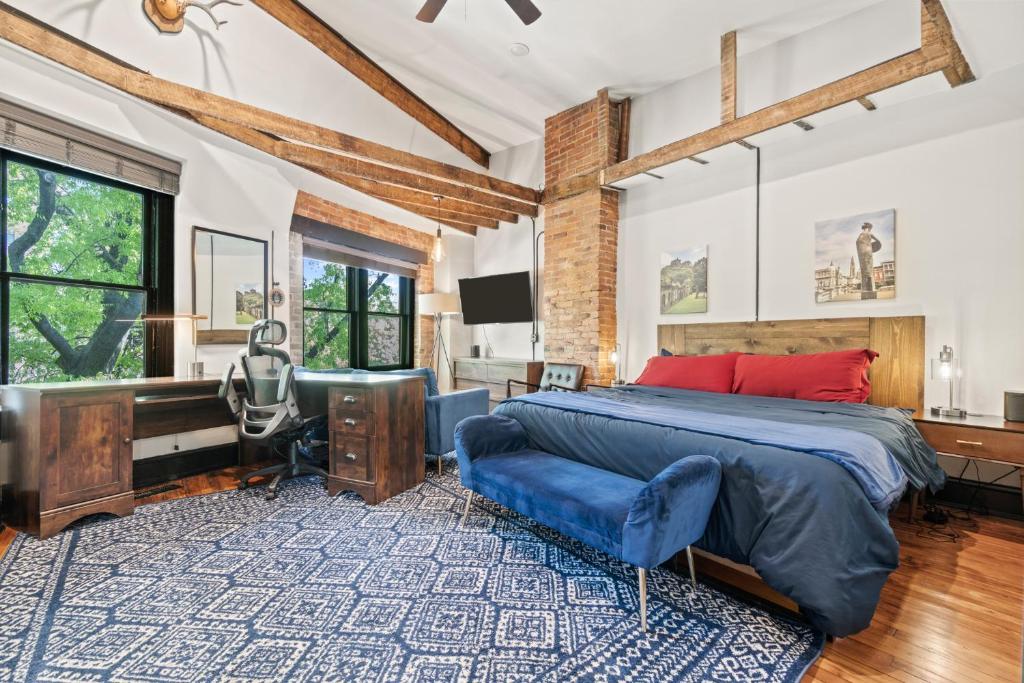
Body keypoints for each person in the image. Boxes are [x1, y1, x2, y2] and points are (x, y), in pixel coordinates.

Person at [856, 222, 882, 300]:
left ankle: (866, 287)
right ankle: (869, 288)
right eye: (870, 228)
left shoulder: (860, 235)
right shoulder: (869, 233)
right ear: (869, 227)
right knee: (867, 268)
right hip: (867, 251)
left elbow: (858, 243)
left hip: (862, 252)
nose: (870, 229)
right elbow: (878, 241)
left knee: (865, 268)